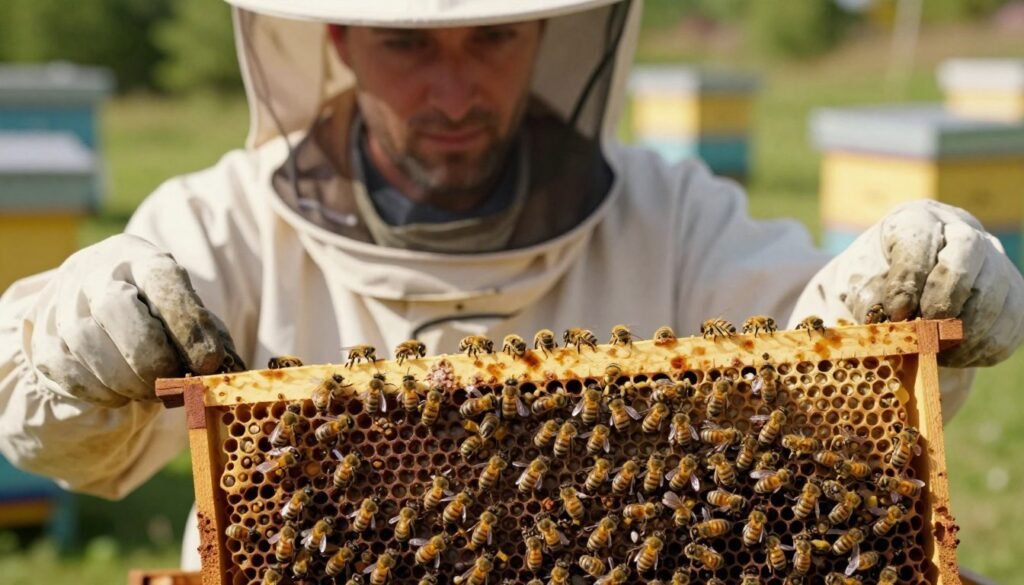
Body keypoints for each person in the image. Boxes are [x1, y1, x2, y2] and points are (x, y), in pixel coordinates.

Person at [1, 0, 1022, 570]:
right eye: (407, 46)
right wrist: (69, 346)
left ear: (552, 36)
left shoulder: (670, 213)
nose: (452, 90)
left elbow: (820, 382)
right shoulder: (220, 218)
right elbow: (63, 439)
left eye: (490, 38)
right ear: (340, 40)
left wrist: (890, 304)